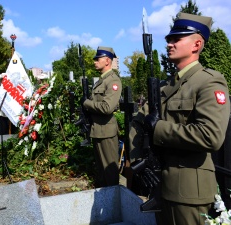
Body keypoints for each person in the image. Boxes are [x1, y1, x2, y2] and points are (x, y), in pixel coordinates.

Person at [129, 13, 230, 225]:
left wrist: (159, 129)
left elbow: (210, 136)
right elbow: (138, 122)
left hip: (190, 194)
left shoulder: (209, 82)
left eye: (177, 39)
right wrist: (139, 158)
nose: (169, 44)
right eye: (169, 39)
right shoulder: (166, 87)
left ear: (197, 44)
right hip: (160, 187)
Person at [82, 46, 122, 187]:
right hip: (98, 130)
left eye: (97, 59)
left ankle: (113, 203)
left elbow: (107, 107)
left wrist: (86, 104)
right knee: (101, 172)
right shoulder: (102, 81)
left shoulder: (113, 81)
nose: (94, 62)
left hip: (106, 132)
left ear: (107, 61)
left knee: (109, 172)